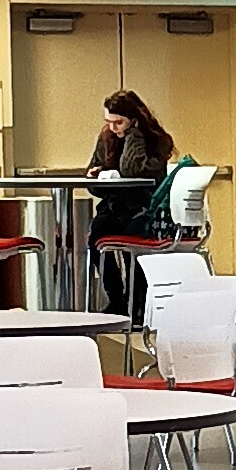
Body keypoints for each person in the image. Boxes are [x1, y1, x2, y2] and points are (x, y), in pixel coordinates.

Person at [88, 89, 174, 309]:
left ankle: (136, 302)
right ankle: (116, 299)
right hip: (114, 206)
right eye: (109, 122)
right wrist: (96, 176)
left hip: (143, 208)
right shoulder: (106, 137)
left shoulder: (157, 141)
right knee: (96, 237)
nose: (112, 128)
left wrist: (132, 137)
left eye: (118, 123)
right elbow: (92, 180)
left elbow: (131, 169)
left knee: (133, 244)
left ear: (134, 120)